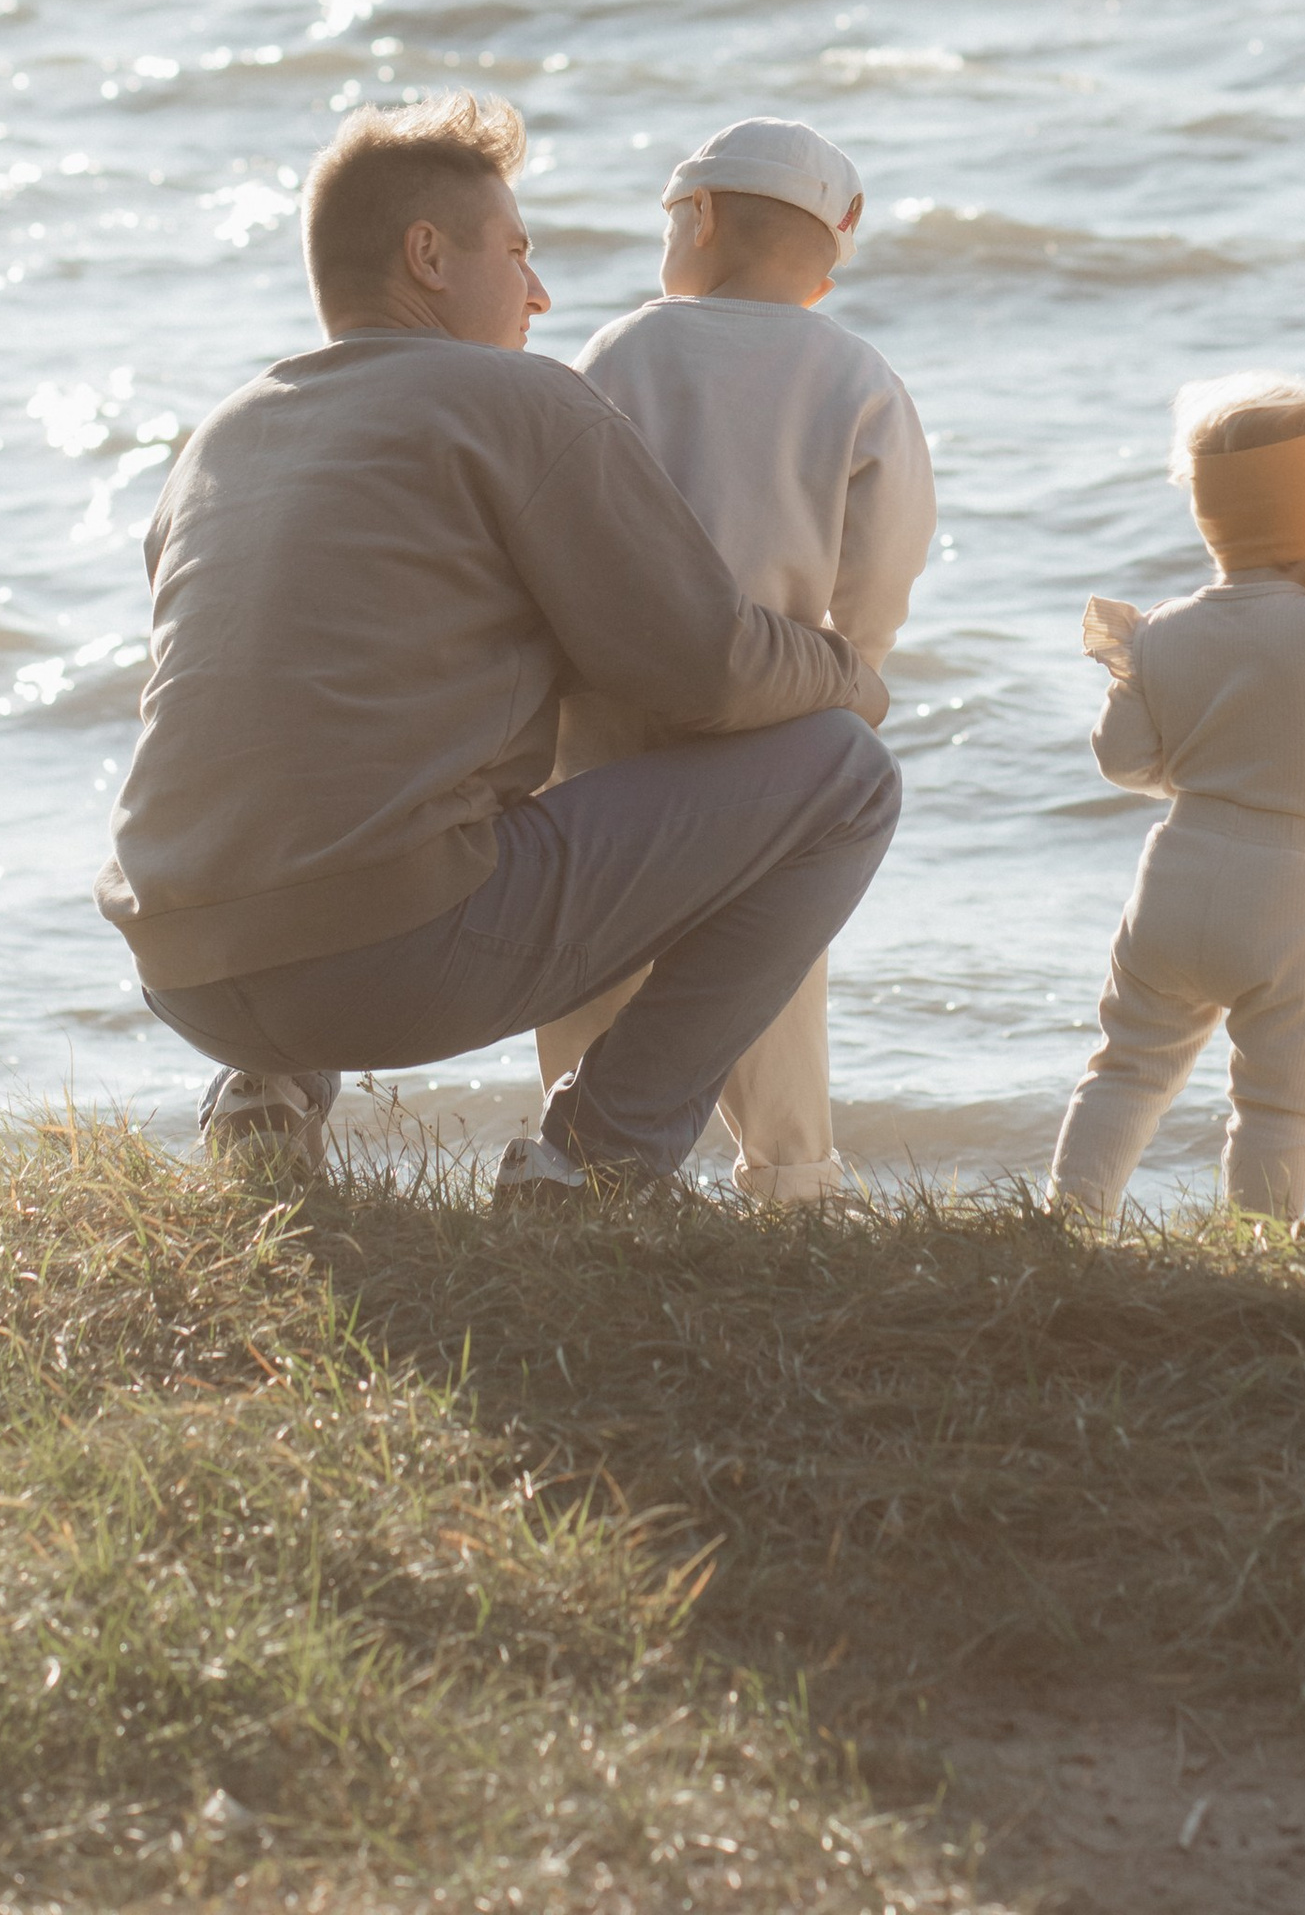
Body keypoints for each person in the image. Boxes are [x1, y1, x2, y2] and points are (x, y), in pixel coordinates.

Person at [93, 90, 899, 1193]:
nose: (540, 291)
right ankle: (598, 1161)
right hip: (386, 962)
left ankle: (263, 1091)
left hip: (179, 962)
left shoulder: (226, 433)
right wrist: (849, 675)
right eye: (514, 252)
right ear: (428, 255)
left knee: (342, 751)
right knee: (847, 776)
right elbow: (699, 667)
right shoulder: (516, 398)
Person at [534, 117, 935, 1197]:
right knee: (766, 950)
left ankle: (577, 1148)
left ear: (699, 218)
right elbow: (885, 555)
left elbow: (563, 509)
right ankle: (791, 1172)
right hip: (783, 703)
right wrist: (851, 663)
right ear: (822, 266)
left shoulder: (624, 348)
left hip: (616, 694)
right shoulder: (857, 374)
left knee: (592, 932)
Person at [1047, 378, 1305, 1225]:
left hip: (1177, 869)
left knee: (1127, 1068)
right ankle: (1263, 1242)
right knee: (1278, 1103)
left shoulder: (1162, 629)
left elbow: (1124, 759)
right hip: (1293, 890)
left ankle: (1068, 1223)